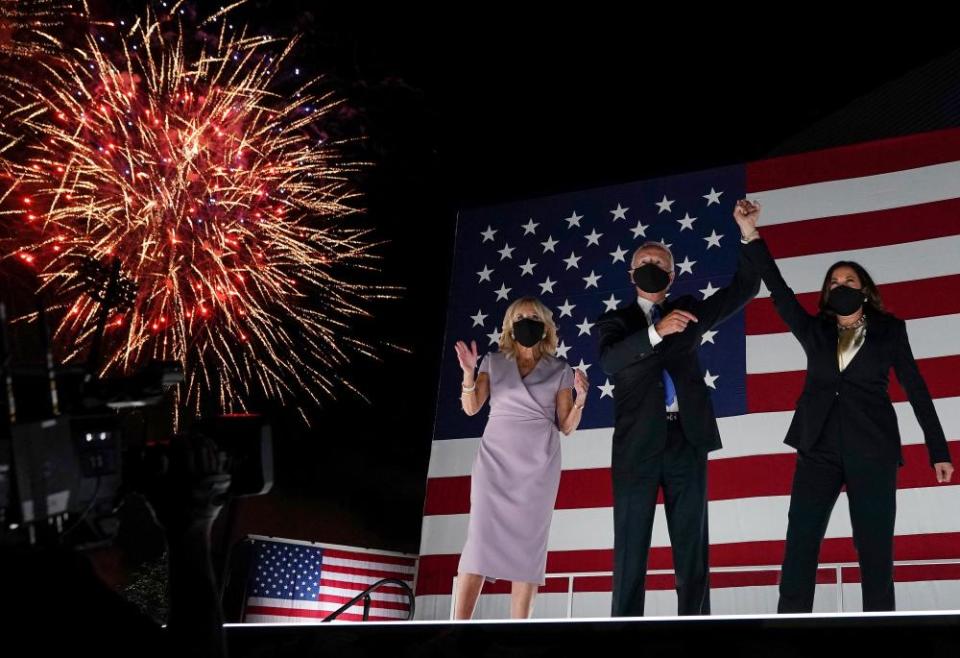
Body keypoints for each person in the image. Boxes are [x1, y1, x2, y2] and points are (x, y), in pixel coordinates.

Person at [738, 198, 954, 612]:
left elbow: (917, 388)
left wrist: (938, 450)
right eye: (834, 282)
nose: (840, 285)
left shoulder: (890, 330)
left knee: (875, 552)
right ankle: (790, 627)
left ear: (864, 290)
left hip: (873, 450)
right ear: (826, 293)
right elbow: (779, 290)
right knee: (800, 545)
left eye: (849, 280)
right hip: (816, 448)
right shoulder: (813, 329)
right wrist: (751, 234)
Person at [597, 205, 763, 616]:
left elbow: (744, 288)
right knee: (630, 550)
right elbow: (610, 362)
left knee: (692, 551)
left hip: (686, 438)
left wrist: (747, 233)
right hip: (636, 447)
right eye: (643, 262)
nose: (650, 265)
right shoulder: (614, 322)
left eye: (659, 263)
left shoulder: (688, 312)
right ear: (630, 274)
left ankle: (695, 629)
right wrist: (655, 331)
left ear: (671, 276)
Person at [453, 296, 588, 619]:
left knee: (528, 548)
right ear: (509, 327)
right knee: (479, 542)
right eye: (520, 317)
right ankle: (456, 627)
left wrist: (581, 399)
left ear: (545, 326)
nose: (527, 321)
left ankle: (519, 629)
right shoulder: (492, 362)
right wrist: (469, 374)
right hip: (494, 464)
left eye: (533, 316)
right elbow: (472, 408)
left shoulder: (560, 370)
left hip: (537, 469)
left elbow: (566, 425)